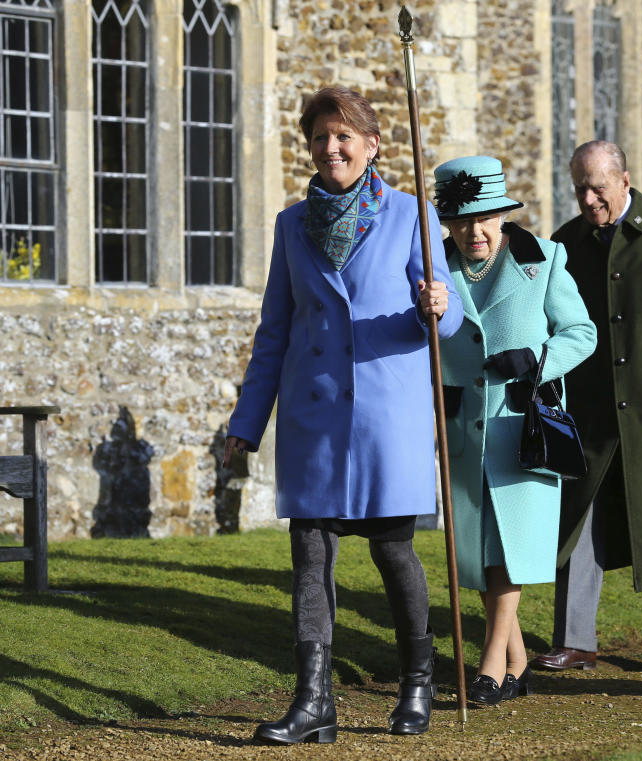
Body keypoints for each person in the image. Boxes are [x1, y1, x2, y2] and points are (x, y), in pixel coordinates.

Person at [223, 86, 463, 743]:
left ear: (372, 145)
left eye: (344, 136)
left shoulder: (410, 216)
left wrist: (437, 303)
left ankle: (417, 682)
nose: (331, 147)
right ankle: (313, 702)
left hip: (387, 418)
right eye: (320, 137)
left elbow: (453, 313)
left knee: (393, 551)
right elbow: (275, 331)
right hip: (314, 418)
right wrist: (246, 422)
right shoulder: (290, 224)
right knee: (310, 558)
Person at [532, 141, 642, 673]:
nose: (587, 199)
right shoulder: (564, 244)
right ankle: (576, 638)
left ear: (624, 180)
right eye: (579, 189)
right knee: (578, 522)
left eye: (597, 188)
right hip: (590, 412)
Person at [433, 155, 597, 706]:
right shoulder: (433, 272)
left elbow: (583, 332)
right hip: (462, 430)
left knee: (509, 551)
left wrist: (538, 358)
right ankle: (518, 664)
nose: (472, 231)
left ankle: (487, 669)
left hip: (520, 429)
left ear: (503, 214)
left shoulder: (544, 260)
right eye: (459, 221)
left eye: (483, 218)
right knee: (480, 556)